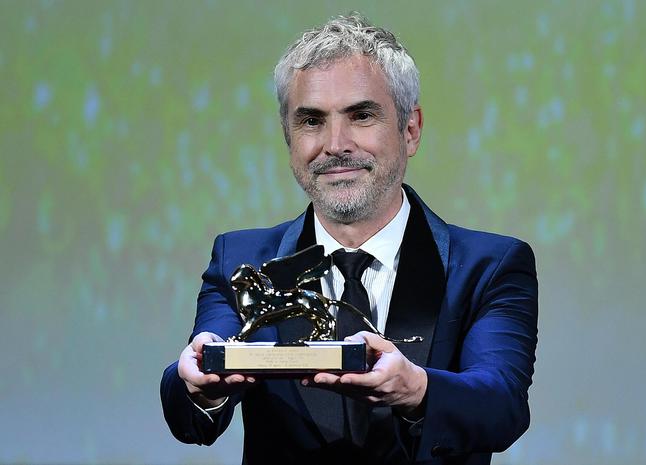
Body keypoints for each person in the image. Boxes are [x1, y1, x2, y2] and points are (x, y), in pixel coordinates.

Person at [160, 13, 537, 465]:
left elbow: (501, 405)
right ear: (289, 137)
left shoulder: (488, 266)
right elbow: (192, 412)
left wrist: (418, 390)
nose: (335, 143)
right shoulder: (241, 259)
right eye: (312, 121)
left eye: (361, 116)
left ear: (410, 129)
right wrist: (196, 385)